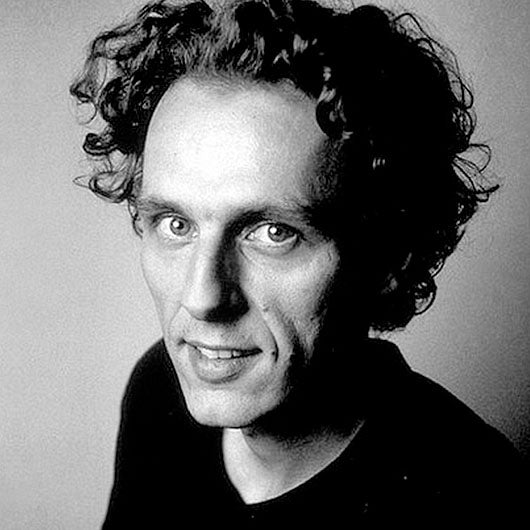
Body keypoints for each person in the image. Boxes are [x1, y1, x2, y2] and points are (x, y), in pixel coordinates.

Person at [71, 0, 526, 526]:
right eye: (176, 224)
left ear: (388, 258)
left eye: (273, 233)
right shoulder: (160, 391)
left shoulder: (476, 499)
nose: (202, 298)